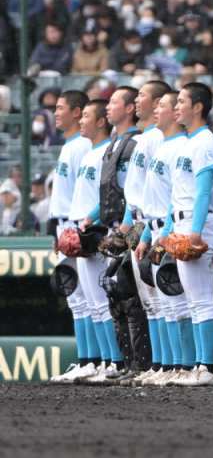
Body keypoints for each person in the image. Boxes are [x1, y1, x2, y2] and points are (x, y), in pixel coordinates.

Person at [154, 83, 213, 386]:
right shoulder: (187, 143)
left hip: (198, 224)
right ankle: (197, 365)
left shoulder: (205, 142)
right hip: (181, 222)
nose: (177, 106)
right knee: (193, 301)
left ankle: (206, 368)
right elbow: (175, 194)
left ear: (198, 107)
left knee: (202, 299)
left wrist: (194, 232)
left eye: (182, 101)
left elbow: (204, 192)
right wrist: (167, 232)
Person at [134, 90, 196, 386]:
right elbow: (152, 200)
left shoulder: (181, 145)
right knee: (163, 304)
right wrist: (146, 234)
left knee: (178, 301)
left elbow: (176, 197)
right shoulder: (162, 146)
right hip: (155, 228)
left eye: (162, 105)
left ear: (176, 113)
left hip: (171, 229)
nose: (156, 110)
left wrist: (166, 233)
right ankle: (168, 366)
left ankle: (186, 365)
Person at [115, 81, 174, 386]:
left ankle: (167, 365)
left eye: (143, 96)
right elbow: (135, 192)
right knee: (148, 301)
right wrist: (127, 225)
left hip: (154, 222)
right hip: (140, 221)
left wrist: (149, 231)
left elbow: (157, 192)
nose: (137, 101)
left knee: (161, 298)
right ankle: (158, 365)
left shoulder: (157, 140)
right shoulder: (145, 139)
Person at [47, 91, 104, 383]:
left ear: (78, 111)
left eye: (61, 108)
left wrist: (77, 228)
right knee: (77, 299)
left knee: (86, 297)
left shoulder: (83, 145)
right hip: (63, 225)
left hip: (76, 225)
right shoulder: (72, 144)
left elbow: (90, 192)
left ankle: (94, 361)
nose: (56, 113)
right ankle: (88, 360)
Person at [70, 100, 127, 384]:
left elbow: (109, 196)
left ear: (101, 121)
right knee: (92, 303)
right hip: (85, 230)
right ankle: (105, 361)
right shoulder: (90, 153)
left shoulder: (107, 151)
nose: (81, 121)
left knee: (104, 301)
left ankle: (115, 362)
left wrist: (92, 223)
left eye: (87, 116)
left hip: (100, 232)